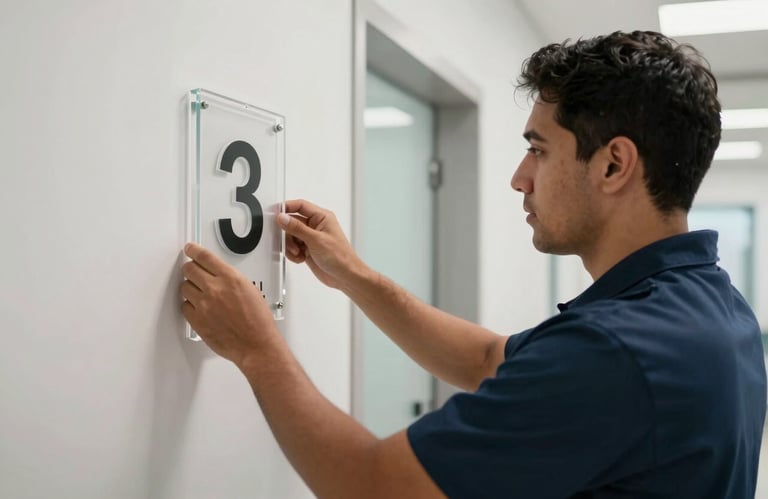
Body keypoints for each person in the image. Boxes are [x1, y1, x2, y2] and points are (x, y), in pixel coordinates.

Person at [180, 31, 767, 498]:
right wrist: (354, 276)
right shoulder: (714, 309)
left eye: (538, 149)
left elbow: (374, 486)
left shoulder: (618, 353)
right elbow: (490, 358)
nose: (520, 177)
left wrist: (257, 348)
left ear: (614, 165)